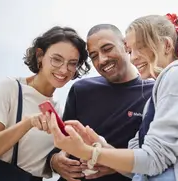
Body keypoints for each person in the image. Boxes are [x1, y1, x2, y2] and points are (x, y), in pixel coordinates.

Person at [42, 14, 178, 181]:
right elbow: (141, 165)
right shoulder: (157, 94)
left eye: (140, 48)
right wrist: (103, 147)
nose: (134, 58)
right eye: (132, 51)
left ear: (167, 45)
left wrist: (90, 152)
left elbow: (154, 159)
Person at [0, 26, 90, 180]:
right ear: (40, 55)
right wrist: (28, 122)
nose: (64, 70)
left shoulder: (59, 111)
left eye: (72, 63)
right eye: (57, 59)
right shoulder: (11, 89)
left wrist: (57, 163)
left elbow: (38, 161)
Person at [46, 24, 154, 181]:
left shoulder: (153, 93)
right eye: (94, 56)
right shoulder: (81, 90)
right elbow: (60, 145)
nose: (102, 60)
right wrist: (55, 161)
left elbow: (153, 158)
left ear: (125, 46)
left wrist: (114, 164)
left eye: (107, 49)